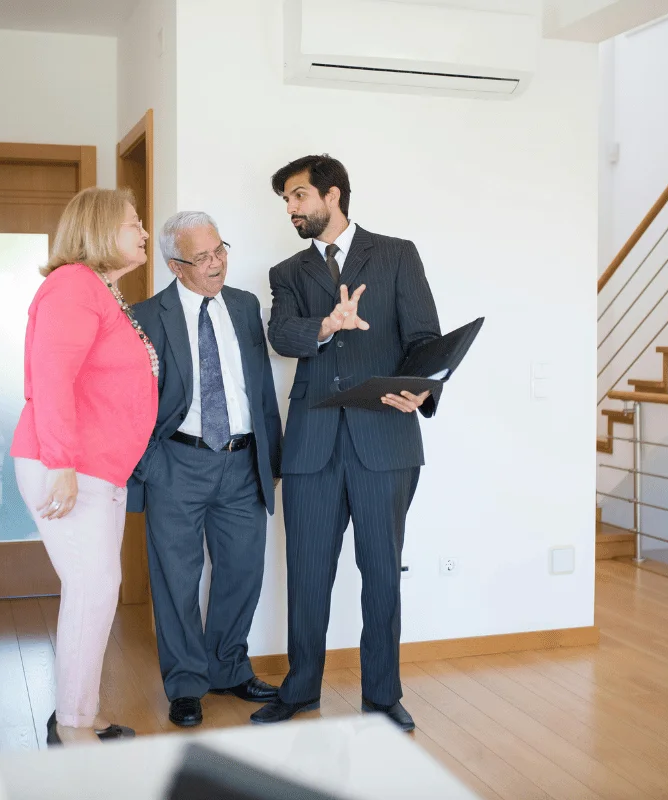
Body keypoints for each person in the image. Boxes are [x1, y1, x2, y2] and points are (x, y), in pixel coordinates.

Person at [250, 155, 442, 732]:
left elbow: (426, 339)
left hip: (384, 439)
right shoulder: (287, 273)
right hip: (311, 443)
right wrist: (328, 325)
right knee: (307, 574)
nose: (290, 208)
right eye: (286, 200)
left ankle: (383, 695)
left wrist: (420, 393)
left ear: (333, 195)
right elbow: (281, 335)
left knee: (382, 572)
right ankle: (301, 687)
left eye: (299, 196)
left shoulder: (396, 254)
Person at [9, 187, 159, 746]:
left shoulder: (102, 291)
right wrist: (64, 463)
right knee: (93, 589)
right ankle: (71, 728)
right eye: (133, 224)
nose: (144, 233)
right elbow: (52, 380)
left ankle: (79, 712)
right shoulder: (73, 285)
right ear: (99, 232)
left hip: (100, 468)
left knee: (96, 590)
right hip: (68, 464)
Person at [128, 211, 283, 728]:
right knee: (176, 578)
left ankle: (228, 668)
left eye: (220, 250)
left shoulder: (243, 306)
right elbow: (131, 402)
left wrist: (270, 457)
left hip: (241, 461)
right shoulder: (147, 316)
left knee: (243, 569)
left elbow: (259, 389)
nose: (216, 263)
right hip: (177, 462)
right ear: (176, 265)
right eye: (202, 257)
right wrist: (149, 464)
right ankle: (187, 683)